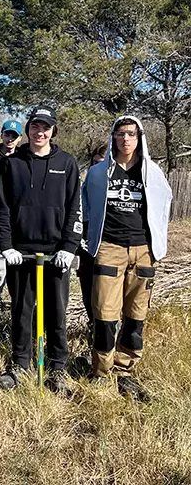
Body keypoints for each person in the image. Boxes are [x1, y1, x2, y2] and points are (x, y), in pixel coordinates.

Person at [83, 116, 172, 401]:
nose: (125, 139)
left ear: (139, 137)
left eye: (131, 134)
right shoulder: (98, 174)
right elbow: (84, 206)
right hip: (110, 247)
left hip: (142, 250)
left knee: (136, 316)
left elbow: (164, 204)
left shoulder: (152, 172)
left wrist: (158, 241)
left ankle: (125, 370)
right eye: (120, 134)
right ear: (113, 137)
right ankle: (101, 370)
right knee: (105, 314)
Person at [0, 106, 81, 395]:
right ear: (28, 129)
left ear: (53, 130)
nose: (39, 132)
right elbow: (2, 208)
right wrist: (6, 246)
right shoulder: (12, 163)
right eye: (34, 126)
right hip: (21, 252)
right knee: (21, 310)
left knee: (56, 311)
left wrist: (69, 247)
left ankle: (58, 367)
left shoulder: (67, 164)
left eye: (45, 127)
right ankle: (20, 364)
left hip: (56, 253)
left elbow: (73, 209)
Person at [0, 120, 24, 306]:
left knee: (18, 259)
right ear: (1, 134)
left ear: (20, 139)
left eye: (14, 136)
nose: (10, 139)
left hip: (19, 216)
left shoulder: (25, 159)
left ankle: (18, 298)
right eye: (7, 134)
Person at [77, 143, 108, 334]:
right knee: (88, 289)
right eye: (94, 163)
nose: (96, 168)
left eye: (101, 163)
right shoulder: (85, 185)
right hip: (87, 242)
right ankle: (92, 329)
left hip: (110, 244)